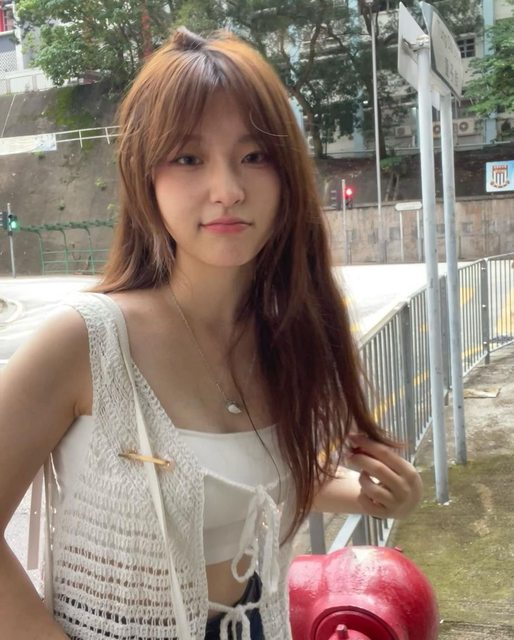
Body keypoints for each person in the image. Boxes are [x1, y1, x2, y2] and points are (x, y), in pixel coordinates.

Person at [0, 27, 423, 640]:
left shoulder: (280, 337)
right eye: (189, 158)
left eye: (254, 157)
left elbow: (233, 477)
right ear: (146, 177)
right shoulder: (86, 342)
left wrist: (367, 495)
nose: (228, 190)